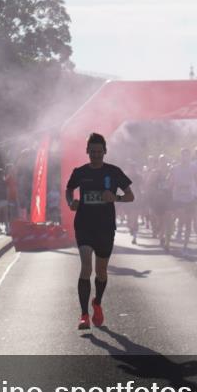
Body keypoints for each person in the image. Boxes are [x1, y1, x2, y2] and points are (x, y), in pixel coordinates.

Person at [65, 133, 135, 330]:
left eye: (99, 152)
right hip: (84, 224)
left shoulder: (114, 172)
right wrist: (71, 202)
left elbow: (131, 196)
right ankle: (84, 314)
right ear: (87, 152)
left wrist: (115, 198)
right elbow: (69, 190)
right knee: (86, 267)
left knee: (101, 271)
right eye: (92, 152)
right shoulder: (79, 172)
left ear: (105, 151)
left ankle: (97, 302)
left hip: (105, 226)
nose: (96, 155)